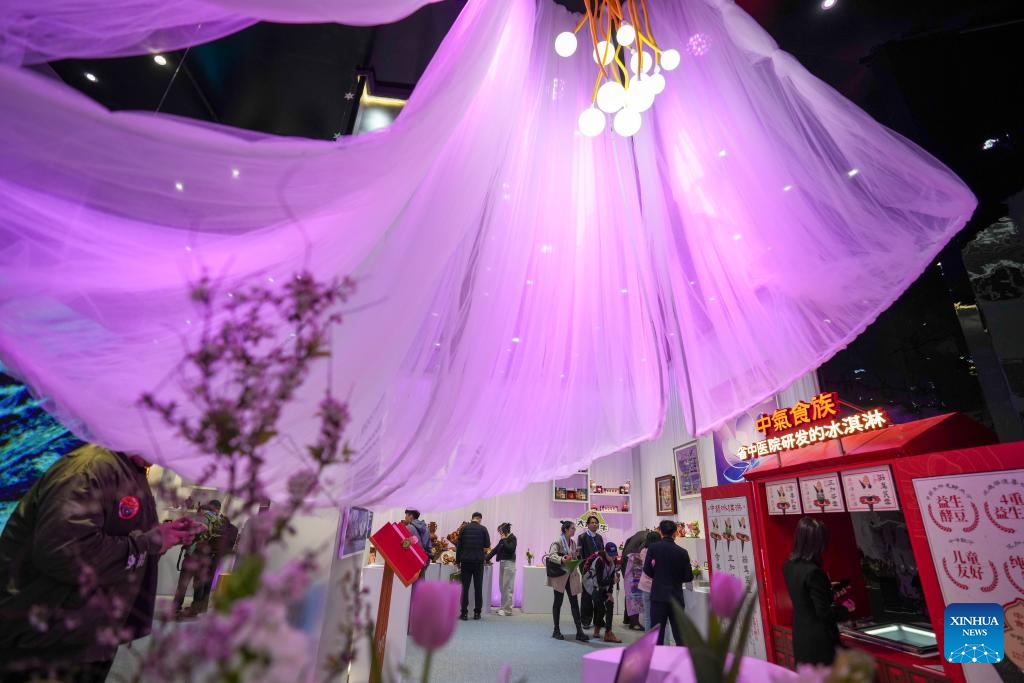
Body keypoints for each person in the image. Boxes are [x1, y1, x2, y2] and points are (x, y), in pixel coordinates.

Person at [0, 444, 203, 682]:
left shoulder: (126, 470)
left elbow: (120, 544)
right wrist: (146, 544)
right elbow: (63, 552)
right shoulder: (91, 468)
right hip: (49, 640)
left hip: (82, 635)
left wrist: (161, 539)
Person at [783, 517, 855, 665]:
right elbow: (823, 613)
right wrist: (845, 609)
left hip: (801, 636)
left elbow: (804, 596)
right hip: (820, 643)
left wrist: (828, 590)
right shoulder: (814, 572)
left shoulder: (789, 566)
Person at [173, 499, 237, 617]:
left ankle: (176, 607)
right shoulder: (223, 520)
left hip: (194, 555)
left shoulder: (202, 517)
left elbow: (192, 534)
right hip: (208, 557)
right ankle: (195, 609)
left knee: (183, 582)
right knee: (199, 584)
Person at [643, 519, 693, 646]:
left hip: (658, 595)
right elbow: (688, 577)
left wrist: (658, 576)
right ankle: (681, 662)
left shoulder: (653, 548)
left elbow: (647, 570)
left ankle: (657, 662)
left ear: (660, 531)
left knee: (657, 634)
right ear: (675, 532)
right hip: (676, 597)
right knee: (679, 634)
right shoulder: (682, 552)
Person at [547, 520, 589, 642]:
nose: (574, 530)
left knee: (575, 604)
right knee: (558, 603)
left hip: (571, 575)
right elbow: (552, 555)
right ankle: (556, 630)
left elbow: (573, 557)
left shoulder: (573, 542)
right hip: (560, 576)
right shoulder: (558, 541)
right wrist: (562, 559)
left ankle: (579, 631)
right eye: (572, 528)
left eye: (574, 528)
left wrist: (576, 556)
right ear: (565, 529)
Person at [456, 511, 490, 620]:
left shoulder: (464, 529)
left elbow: (459, 546)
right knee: (478, 587)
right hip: (478, 562)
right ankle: (477, 613)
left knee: (464, 588)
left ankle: (464, 613)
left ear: (472, 518)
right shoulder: (483, 529)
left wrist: (457, 561)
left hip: (465, 561)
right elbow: (487, 545)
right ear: (479, 519)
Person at [589, 542, 623, 643]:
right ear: (606, 552)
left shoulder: (612, 563)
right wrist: (613, 581)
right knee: (601, 610)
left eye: (614, 555)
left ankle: (608, 633)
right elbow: (600, 582)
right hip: (594, 589)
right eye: (610, 555)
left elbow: (611, 578)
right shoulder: (599, 561)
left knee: (610, 604)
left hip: (604, 589)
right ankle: (597, 628)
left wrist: (610, 593)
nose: (613, 557)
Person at [576, 514, 604, 629]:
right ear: (587, 524)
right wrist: (584, 570)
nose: (594, 524)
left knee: (599, 595)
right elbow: (579, 556)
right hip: (587, 570)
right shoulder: (582, 537)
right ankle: (586, 620)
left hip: (599, 570)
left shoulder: (599, 537)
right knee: (587, 596)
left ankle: (599, 620)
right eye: (592, 522)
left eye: (596, 523)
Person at [486, 522, 517, 616]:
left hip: (509, 563)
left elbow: (511, 549)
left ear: (505, 531)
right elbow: (495, 550)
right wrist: (486, 558)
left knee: (508, 587)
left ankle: (508, 610)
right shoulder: (503, 540)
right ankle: (503, 607)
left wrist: (504, 540)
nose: (500, 533)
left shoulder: (512, 538)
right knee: (502, 586)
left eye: (500, 531)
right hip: (503, 563)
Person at [637, 530, 660, 630]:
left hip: (645, 586)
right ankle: (659, 642)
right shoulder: (659, 552)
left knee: (647, 616)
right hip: (657, 586)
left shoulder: (643, 551)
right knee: (659, 617)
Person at [403, 509, 431, 582]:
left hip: (413, 563)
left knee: (411, 589)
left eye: (406, 515)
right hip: (423, 561)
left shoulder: (409, 528)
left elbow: (404, 545)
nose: (405, 517)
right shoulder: (426, 529)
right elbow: (429, 547)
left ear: (411, 516)